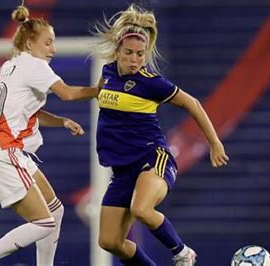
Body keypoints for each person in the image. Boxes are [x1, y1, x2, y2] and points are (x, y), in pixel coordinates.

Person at [0, 3, 99, 266]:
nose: (53, 49)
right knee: (44, 222)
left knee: (55, 210)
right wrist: (99, 90)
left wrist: (62, 122)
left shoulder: (9, 67)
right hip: (5, 151)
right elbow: (68, 94)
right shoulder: (35, 66)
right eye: (47, 43)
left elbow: (26, 113)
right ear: (29, 43)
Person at [92, 4, 229, 266]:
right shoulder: (108, 73)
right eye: (129, 53)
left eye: (140, 54)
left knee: (141, 209)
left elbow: (194, 104)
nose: (134, 59)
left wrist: (214, 143)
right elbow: (98, 94)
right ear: (117, 50)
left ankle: (182, 253)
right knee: (110, 242)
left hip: (152, 158)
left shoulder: (151, 82)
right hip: (122, 169)